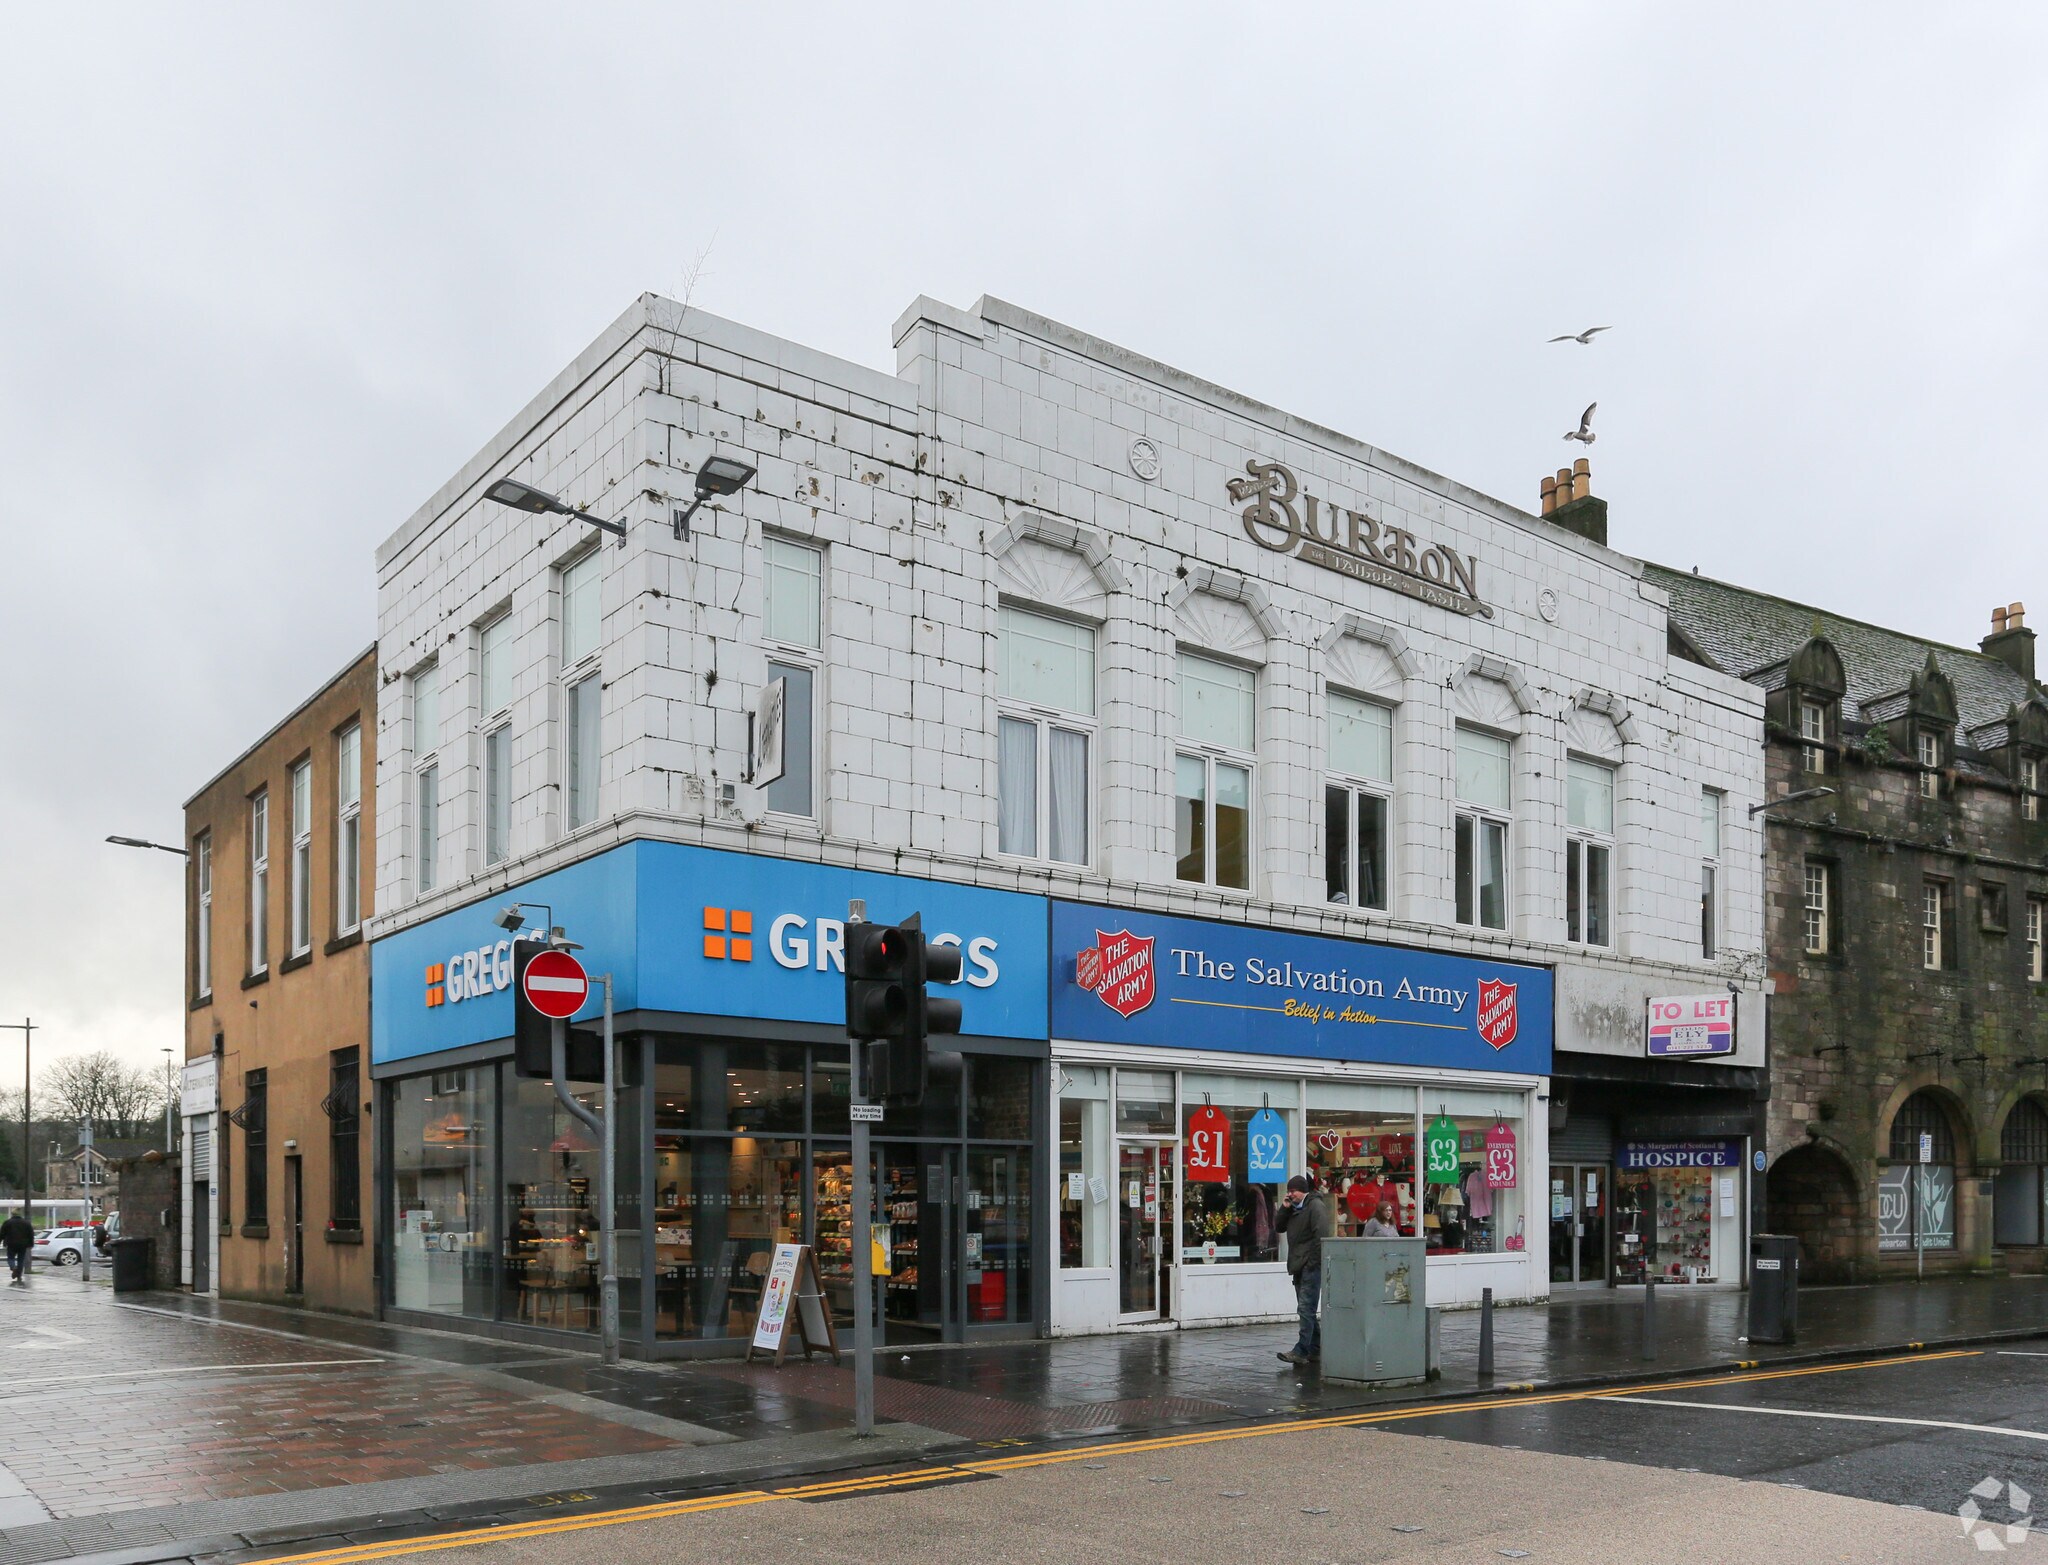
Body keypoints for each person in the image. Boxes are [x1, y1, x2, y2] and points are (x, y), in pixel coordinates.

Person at [1276, 1174, 1332, 1366]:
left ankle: (1301, 1350)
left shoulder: (1315, 1206)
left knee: (1305, 1308)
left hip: (1310, 1265)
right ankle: (1316, 1349)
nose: (1290, 1194)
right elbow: (1278, 1227)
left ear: (1304, 1190)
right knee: (1306, 1308)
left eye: (1294, 1191)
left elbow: (1321, 1235)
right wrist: (1284, 1209)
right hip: (1298, 1264)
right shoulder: (1292, 1208)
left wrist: (1313, 1262)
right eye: (1289, 1191)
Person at [1, 1210, 34, 1285]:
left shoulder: (7, 1222)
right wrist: (31, 1244)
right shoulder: (26, 1223)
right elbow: (31, 1234)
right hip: (23, 1245)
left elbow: (2, 1233)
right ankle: (19, 1275)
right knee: (21, 1260)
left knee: (10, 1258)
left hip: (11, 1243)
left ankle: (13, 1267)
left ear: (12, 1214)